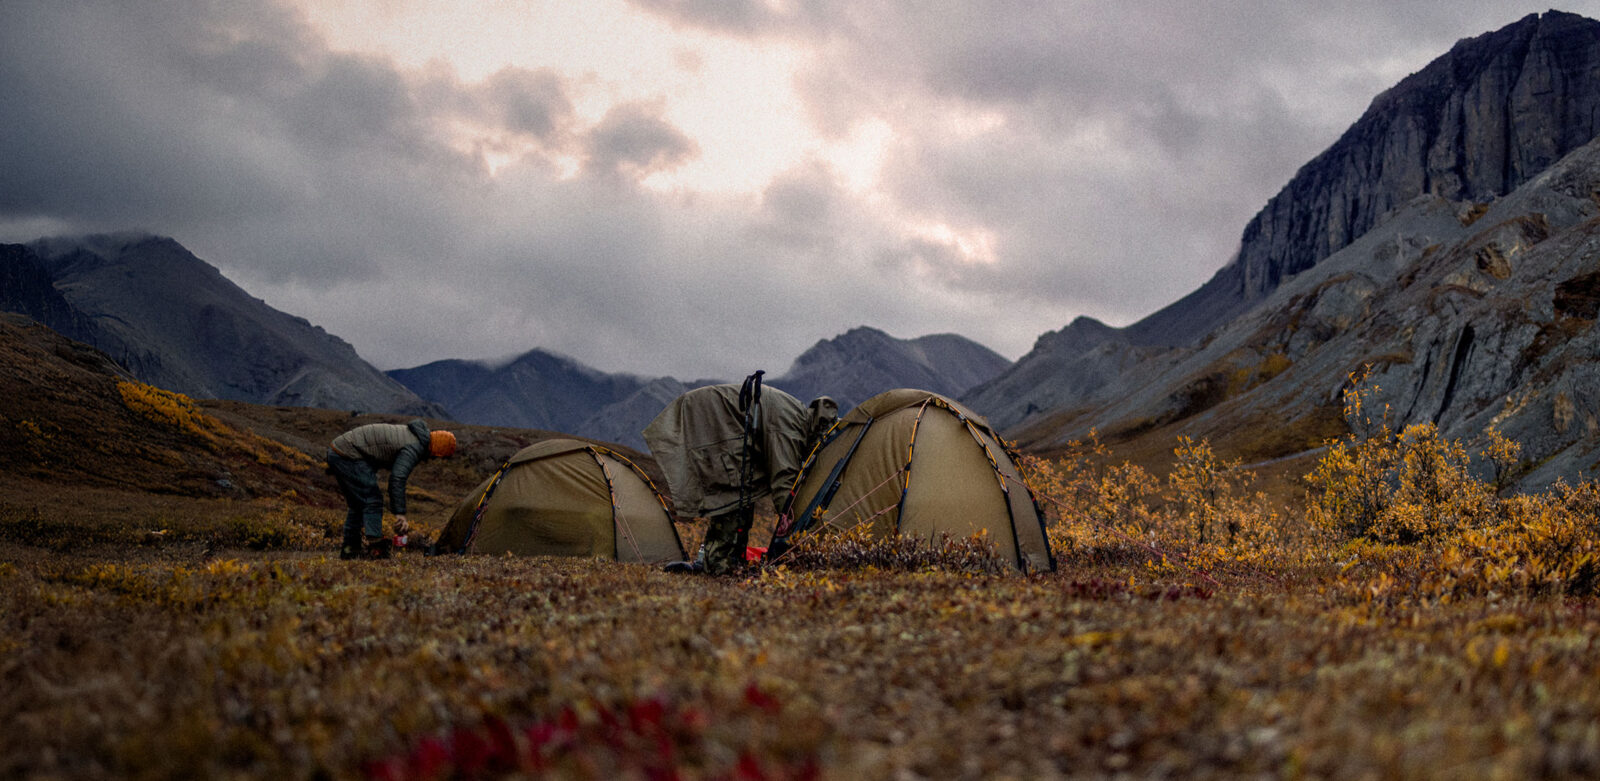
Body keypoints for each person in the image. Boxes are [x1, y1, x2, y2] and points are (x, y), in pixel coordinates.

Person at [644, 372, 836, 575]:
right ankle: (718, 565)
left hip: (713, 423)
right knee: (732, 495)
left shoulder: (795, 415)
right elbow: (784, 476)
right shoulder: (791, 426)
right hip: (707, 423)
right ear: (819, 432)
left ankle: (725, 561)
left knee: (742, 495)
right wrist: (790, 517)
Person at [325, 418, 457, 560]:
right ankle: (376, 547)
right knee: (372, 499)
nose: (434, 460)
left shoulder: (415, 436)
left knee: (357, 504)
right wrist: (400, 514)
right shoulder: (414, 447)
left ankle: (350, 549)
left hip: (339, 451)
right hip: (347, 455)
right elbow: (397, 479)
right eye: (438, 457)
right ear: (437, 451)